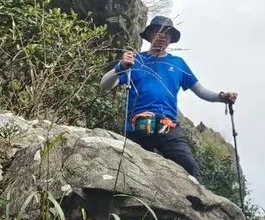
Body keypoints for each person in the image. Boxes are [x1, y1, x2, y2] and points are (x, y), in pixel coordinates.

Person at [100, 15, 237, 183]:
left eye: (167, 33)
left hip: (167, 126)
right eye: (158, 31)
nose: (162, 35)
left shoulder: (178, 64)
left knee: (190, 168)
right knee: (132, 173)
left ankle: (197, 198)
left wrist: (222, 97)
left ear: (171, 39)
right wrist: (120, 67)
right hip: (137, 126)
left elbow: (200, 91)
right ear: (150, 35)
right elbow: (105, 85)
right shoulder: (136, 61)